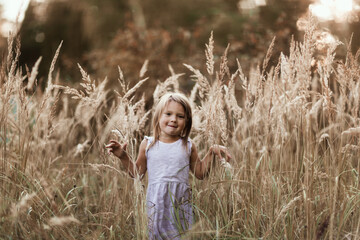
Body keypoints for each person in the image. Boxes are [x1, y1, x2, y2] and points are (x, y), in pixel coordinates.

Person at [106, 92, 231, 239]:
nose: (173, 119)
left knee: (181, 235)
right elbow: (137, 173)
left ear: (187, 122)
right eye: (168, 114)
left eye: (180, 116)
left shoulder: (188, 145)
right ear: (158, 116)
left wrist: (211, 153)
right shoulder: (147, 144)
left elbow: (200, 173)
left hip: (180, 203)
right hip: (156, 204)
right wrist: (123, 156)